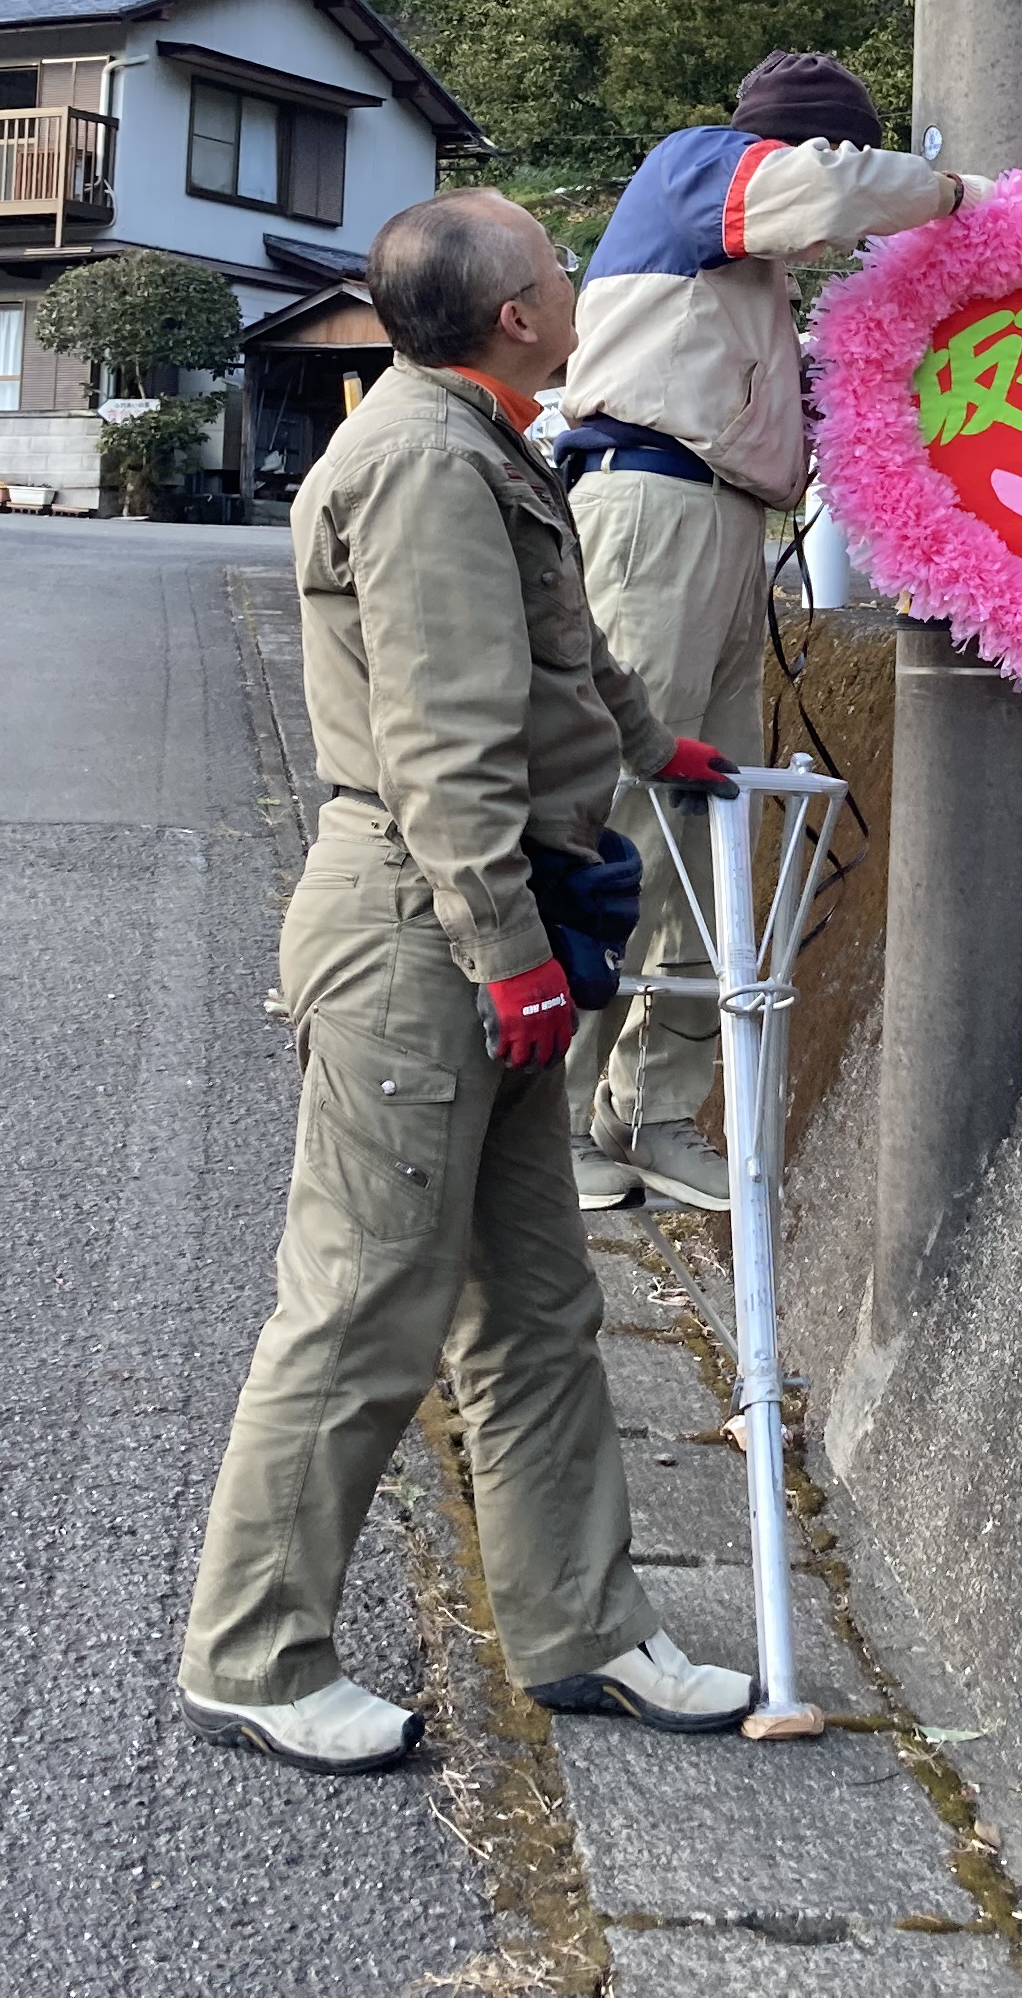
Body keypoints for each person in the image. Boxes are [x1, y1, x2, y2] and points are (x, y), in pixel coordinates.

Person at [177, 188, 757, 1773]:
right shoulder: (433, 464)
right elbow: (443, 742)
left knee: (540, 1309)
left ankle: (587, 1628)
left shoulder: (484, 435)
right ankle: (255, 1653)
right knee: (367, 1304)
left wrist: (657, 749)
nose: (574, 287)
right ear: (514, 314)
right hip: (427, 926)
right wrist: (508, 957)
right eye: (556, 273)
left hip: (485, 917)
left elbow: (566, 658)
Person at [552, 54, 977, 1212]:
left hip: (723, 526)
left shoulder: (747, 273)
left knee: (707, 817)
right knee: (620, 806)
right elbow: (836, 190)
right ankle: (553, 1122)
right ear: (791, 148)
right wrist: (957, 197)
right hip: (651, 504)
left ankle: (649, 1110)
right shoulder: (697, 168)